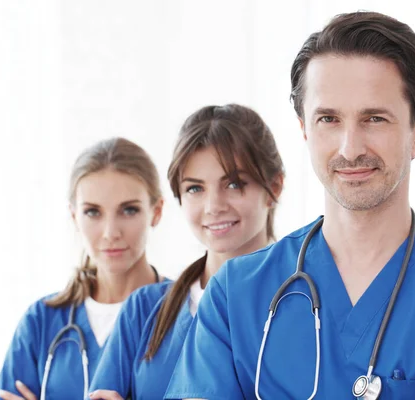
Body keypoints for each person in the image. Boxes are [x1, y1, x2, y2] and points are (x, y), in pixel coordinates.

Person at [164, 12, 415, 400]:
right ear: (305, 129)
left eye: (374, 118)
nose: (350, 148)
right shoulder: (235, 294)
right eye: (329, 119)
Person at [86, 104, 284, 400]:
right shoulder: (143, 310)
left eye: (233, 184)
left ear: (275, 187)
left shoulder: (302, 305)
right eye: (195, 188)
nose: (213, 206)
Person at [0, 137, 168, 400]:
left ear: (156, 211)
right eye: (93, 212)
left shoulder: (185, 313)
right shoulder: (41, 322)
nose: (111, 232)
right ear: (74, 216)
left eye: (129, 210)